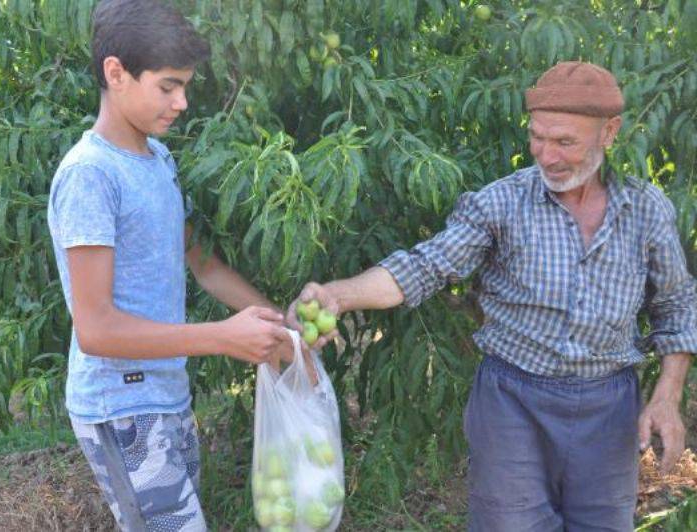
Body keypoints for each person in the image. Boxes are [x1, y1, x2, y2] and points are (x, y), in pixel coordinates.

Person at [287, 61, 697, 531]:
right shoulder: (502, 202)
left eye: (565, 142)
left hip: (608, 407)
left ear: (610, 131)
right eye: (537, 137)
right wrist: (340, 295)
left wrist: (667, 395)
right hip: (512, 402)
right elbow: (427, 265)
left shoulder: (647, 210)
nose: (546, 155)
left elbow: (677, 305)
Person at [46, 1, 293, 530]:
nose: (182, 102)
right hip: (121, 408)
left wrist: (280, 322)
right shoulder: (90, 176)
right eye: (167, 86)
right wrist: (222, 337)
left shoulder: (158, 160)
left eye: (185, 86)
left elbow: (201, 263)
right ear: (116, 73)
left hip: (164, 396)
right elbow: (96, 329)